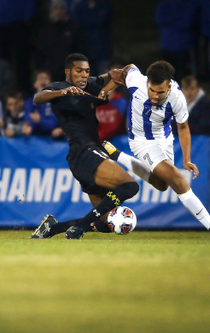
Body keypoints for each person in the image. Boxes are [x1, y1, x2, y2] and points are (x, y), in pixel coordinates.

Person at [103, 61, 210, 240]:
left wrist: (186, 159)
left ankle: (118, 155)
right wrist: (105, 90)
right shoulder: (137, 82)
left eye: (160, 92)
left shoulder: (177, 98)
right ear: (147, 82)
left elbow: (183, 127)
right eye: (152, 90)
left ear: (169, 86)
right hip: (141, 141)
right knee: (175, 178)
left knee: (162, 184)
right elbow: (129, 68)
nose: (155, 96)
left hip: (164, 140)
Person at [29, 53, 138, 240]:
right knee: (129, 186)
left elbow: (107, 78)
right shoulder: (59, 87)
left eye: (87, 71)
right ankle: (78, 228)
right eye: (78, 71)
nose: (84, 75)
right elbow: (38, 98)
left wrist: (118, 73)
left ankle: (53, 228)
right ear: (67, 71)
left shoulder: (89, 84)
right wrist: (63, 92)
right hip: (84, 151)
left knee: (104, 223)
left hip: (86, 154)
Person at [34, 1, 84, 83]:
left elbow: (80, 50)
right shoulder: (45, 30)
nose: (59, 11)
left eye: (62, 8)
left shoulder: (74, 28)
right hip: (51, 73)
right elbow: (40, 53)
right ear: (51, 11)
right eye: (56, 8)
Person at [154, 0, 197, 82]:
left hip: (185, 47)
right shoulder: (164, 5)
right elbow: (159, 20)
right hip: (167, 46)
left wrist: (171, 20)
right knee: (168, 75)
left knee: (185, 76)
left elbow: (188, 22)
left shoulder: (189, 4)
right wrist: (178, 19)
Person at [71, 0, 113, 75]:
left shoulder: (104, 6)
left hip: (102, 50)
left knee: (104, 77)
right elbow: (77, 23)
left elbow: (101, 20)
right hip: (84, 49)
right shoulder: (80, 6)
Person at [23, 70, 61, 138]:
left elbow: (53, 123)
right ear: (35, 84)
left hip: (53, 140)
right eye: (40, 78)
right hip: (34, 139)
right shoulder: (29, 102)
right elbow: (28, 121)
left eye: (46, 78)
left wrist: (40, 120)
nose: (43, 81)